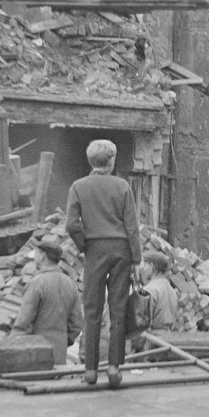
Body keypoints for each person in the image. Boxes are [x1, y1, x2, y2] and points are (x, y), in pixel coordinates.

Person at [66, 139, 142, 388]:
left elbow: (71, 225)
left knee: (92, 310)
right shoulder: (122, 186)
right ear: (111, 162)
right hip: (121, 251)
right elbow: (132, 227)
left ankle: (90, 370)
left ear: (91, 161)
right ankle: (113, 368)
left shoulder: (78, 186)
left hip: (95, 251)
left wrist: (84, 245)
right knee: (118, 310)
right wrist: (136, 259)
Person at [12, 249, 84, 366]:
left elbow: (24, 321)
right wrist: (62, 342)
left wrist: (14, 346)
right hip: (59, 353)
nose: (35, 258)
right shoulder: (70, 284)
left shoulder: (37, 282)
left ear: (42, 256)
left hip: (35, 353)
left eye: (36, 254)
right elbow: (76, 325)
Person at [142, 251, 179, 331]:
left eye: (145, 264)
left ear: (151, 266)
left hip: (152, 336)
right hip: (168, 335)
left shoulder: (149, 290)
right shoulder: (171, 290)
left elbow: (142, 324)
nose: (143, 269)